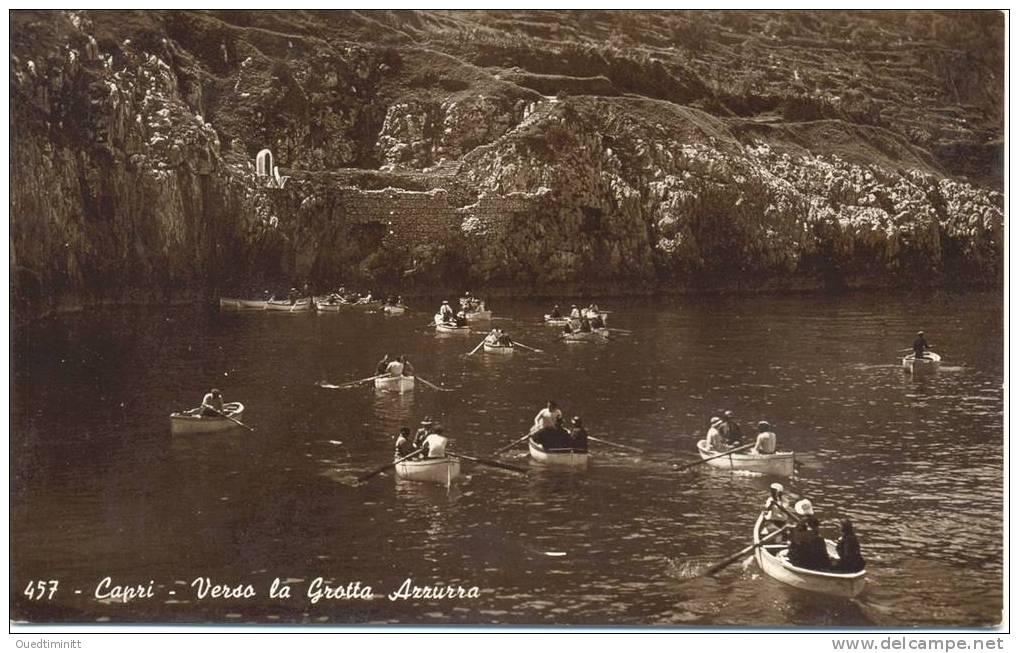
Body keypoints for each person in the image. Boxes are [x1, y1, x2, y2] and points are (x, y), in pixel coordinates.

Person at [787, 499, 831, 571]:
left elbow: (797, 537)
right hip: (814, 555)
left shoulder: (801, 522)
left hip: (803, 556)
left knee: (792, 545)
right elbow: (813, 533)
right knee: (819, 541)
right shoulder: (815, 520)